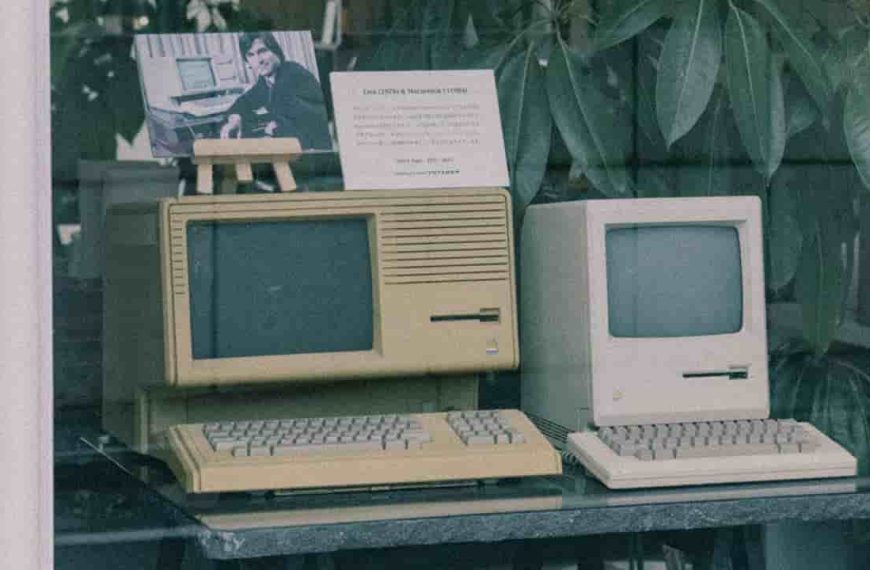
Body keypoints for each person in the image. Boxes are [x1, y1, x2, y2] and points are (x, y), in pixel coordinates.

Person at [220, 32, 332, 150]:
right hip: (295, 145)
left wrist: (270, 133)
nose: (258, 60)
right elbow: (244, 102)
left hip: (315, 148)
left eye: (262, 51)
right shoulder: (265, 81)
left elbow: (304, 126)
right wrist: (235, 119)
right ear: (248, 63)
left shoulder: (293, 74)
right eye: (251, 55)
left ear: (276, 51)